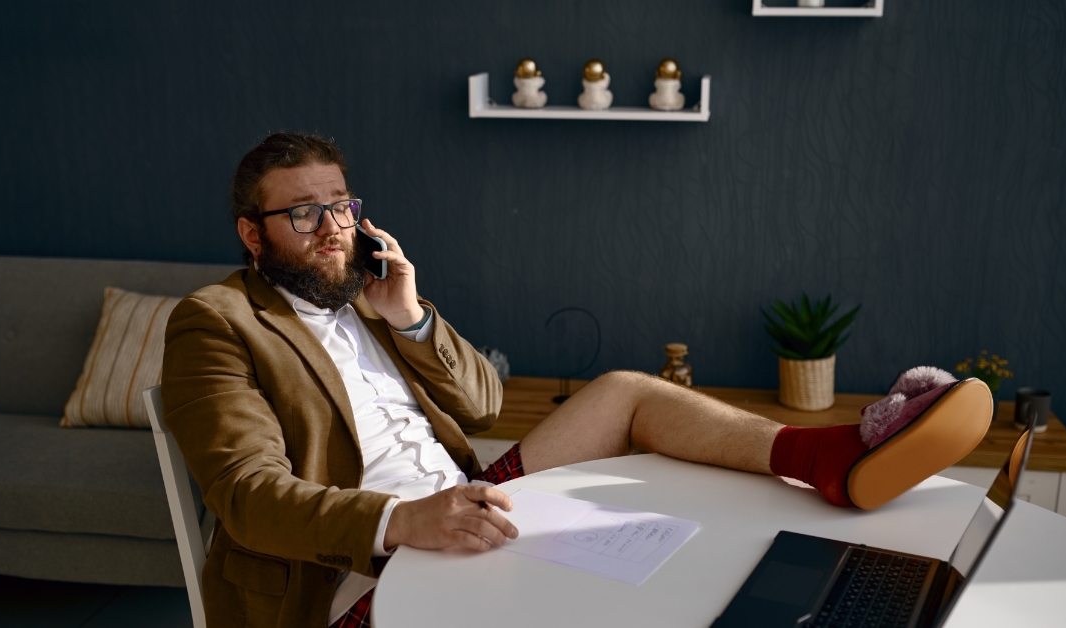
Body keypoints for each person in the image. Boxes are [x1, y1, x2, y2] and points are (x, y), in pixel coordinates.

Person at [161, 132, 992, 628]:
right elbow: (246, 494)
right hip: (353, 572)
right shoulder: (217, 321)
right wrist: (403, 521)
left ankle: (831, 457)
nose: (333, 229)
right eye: (303, 213)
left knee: (625, 390)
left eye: (340, 205)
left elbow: (484, 402)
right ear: (253, 233)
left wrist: (410, 318)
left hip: (465, 501)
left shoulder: (370, 299)